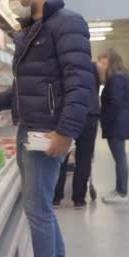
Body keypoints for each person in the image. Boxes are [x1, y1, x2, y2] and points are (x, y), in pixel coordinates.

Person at [0, 0, 93, 257]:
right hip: (30, 128)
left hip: (47, 131)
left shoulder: (67, 23)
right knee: (41, 212)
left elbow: (81, 84)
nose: (10, 0)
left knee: (38, 212)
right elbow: (27, 87)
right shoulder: (33, 29)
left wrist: (66, 133)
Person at [53, 63, 100, 209]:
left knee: (62, 155)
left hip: (68, 114)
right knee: (84, 157)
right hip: (90, 114)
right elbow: (96, 88)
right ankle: (79, 199)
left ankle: (56, 197)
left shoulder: (61, 65)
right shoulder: (92, 67)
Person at [96, 48, 129, 204]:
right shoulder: (121, 77)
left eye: (103, 61)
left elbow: (115, 102)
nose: (101, 65)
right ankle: (119, 189)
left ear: (111, 61)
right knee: (120, 158)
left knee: (120, 158)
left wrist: (103, 118)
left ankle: (122, 192)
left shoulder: (116, 79)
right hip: (120, 122)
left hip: (116, 124)